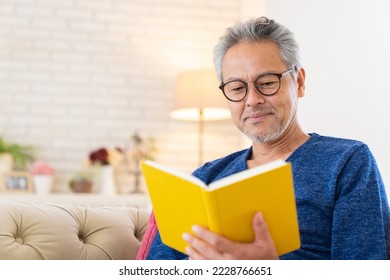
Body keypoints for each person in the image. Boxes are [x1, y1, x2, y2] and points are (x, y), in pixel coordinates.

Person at [137, 16, 390, 260]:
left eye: (267, 83)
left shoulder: (347, 162)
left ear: (299, 82)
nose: (252, 100)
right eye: (237, 88)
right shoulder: (206, 177)